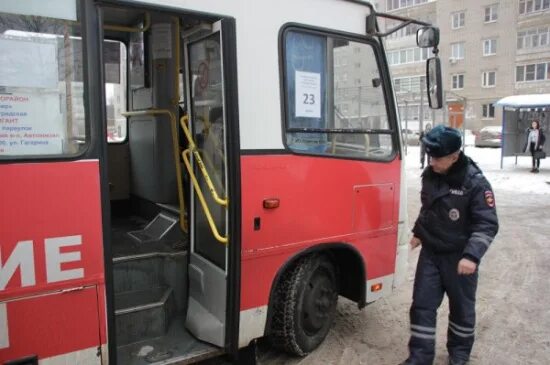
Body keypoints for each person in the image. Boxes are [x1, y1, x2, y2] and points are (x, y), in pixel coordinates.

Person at [400, 125, 499, 365]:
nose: (431, 162)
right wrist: (418, 234)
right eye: (430, 156)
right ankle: (419, 358)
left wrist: (471, 256)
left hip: (459, 257)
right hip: (432, 254)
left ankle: (459, 354)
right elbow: (428, 210)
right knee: (422, 306)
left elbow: (487, 224)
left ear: (455, 156)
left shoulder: (475, 183)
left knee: (461, 310)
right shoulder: (431, 175)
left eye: (437, 158)